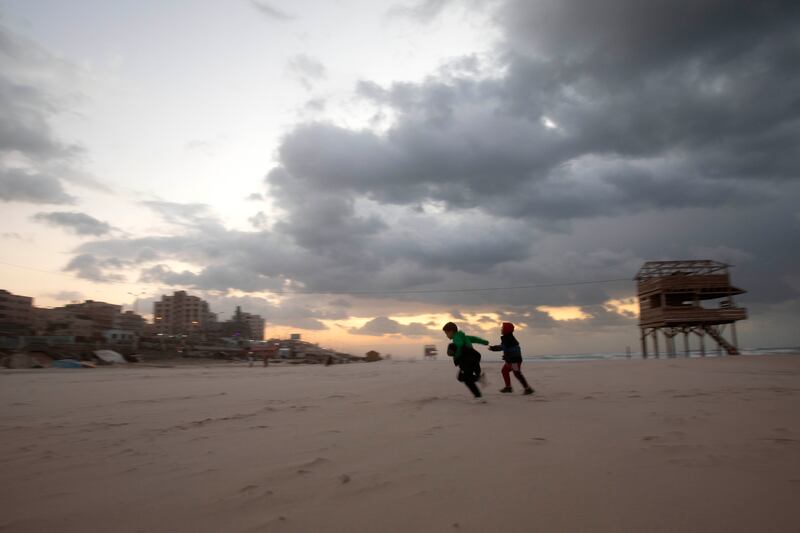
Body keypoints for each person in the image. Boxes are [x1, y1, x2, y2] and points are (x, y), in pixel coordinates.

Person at [442, 322, 489, 402]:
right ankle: (479, 379)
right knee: (461, 377)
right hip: (473, 358)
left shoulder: (456, 338)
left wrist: (455, 354)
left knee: (467, 380)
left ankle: (478, 397)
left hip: (467, 360)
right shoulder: (462, 336)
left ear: (451, 331)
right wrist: (484, 342)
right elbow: (474, 339)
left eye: (446, 333)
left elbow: (459, 345)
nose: (446, 335)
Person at [488, 322, 534, 395]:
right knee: (505, 371)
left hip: (514, 361)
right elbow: (504, 347)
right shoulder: (507, 337)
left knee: (517, 373)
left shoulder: (508, 338)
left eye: (502, 328)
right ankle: (508, 387)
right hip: (511, 360)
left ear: (506, 330)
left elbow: (503, 347)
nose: (501, 329)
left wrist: (493, 348)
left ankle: (527, 389)